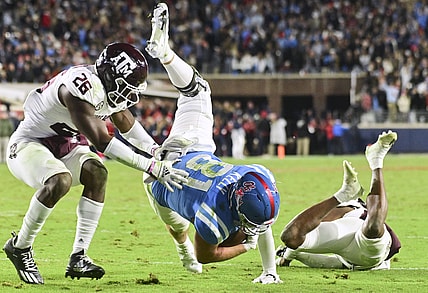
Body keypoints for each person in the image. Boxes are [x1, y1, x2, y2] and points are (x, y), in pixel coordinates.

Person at [3, 42, 189, 285]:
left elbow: (125, 122)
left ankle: (78, 257)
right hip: (30, 144)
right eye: (126, 86)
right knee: (60, 180)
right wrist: (152, 167)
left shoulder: (106, 87)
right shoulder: (80, 85)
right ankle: (20, 247)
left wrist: (155, 149)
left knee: (97, 172)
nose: (129, 95)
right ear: (110, 75)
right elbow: (103, 141)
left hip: (66, 145)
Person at [142, 3, 282, 284]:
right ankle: (182, 250)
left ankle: (165, 53)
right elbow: (206, 254)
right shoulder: (212, 220)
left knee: (198, 91)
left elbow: (260, 213)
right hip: (158, 179)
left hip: (193, 149)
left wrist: (270, 272)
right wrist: (245, 247)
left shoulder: (253, 177)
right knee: (180, 229)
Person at [276, 130, 401, 270]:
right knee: (289, 236)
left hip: (369, 247)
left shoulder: (360, 211)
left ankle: (376, 159)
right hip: (347, 245)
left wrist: (289, 256)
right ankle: (345, 191)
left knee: (374, 226)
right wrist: (289, 255)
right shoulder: (343, 211)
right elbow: (293, 235)